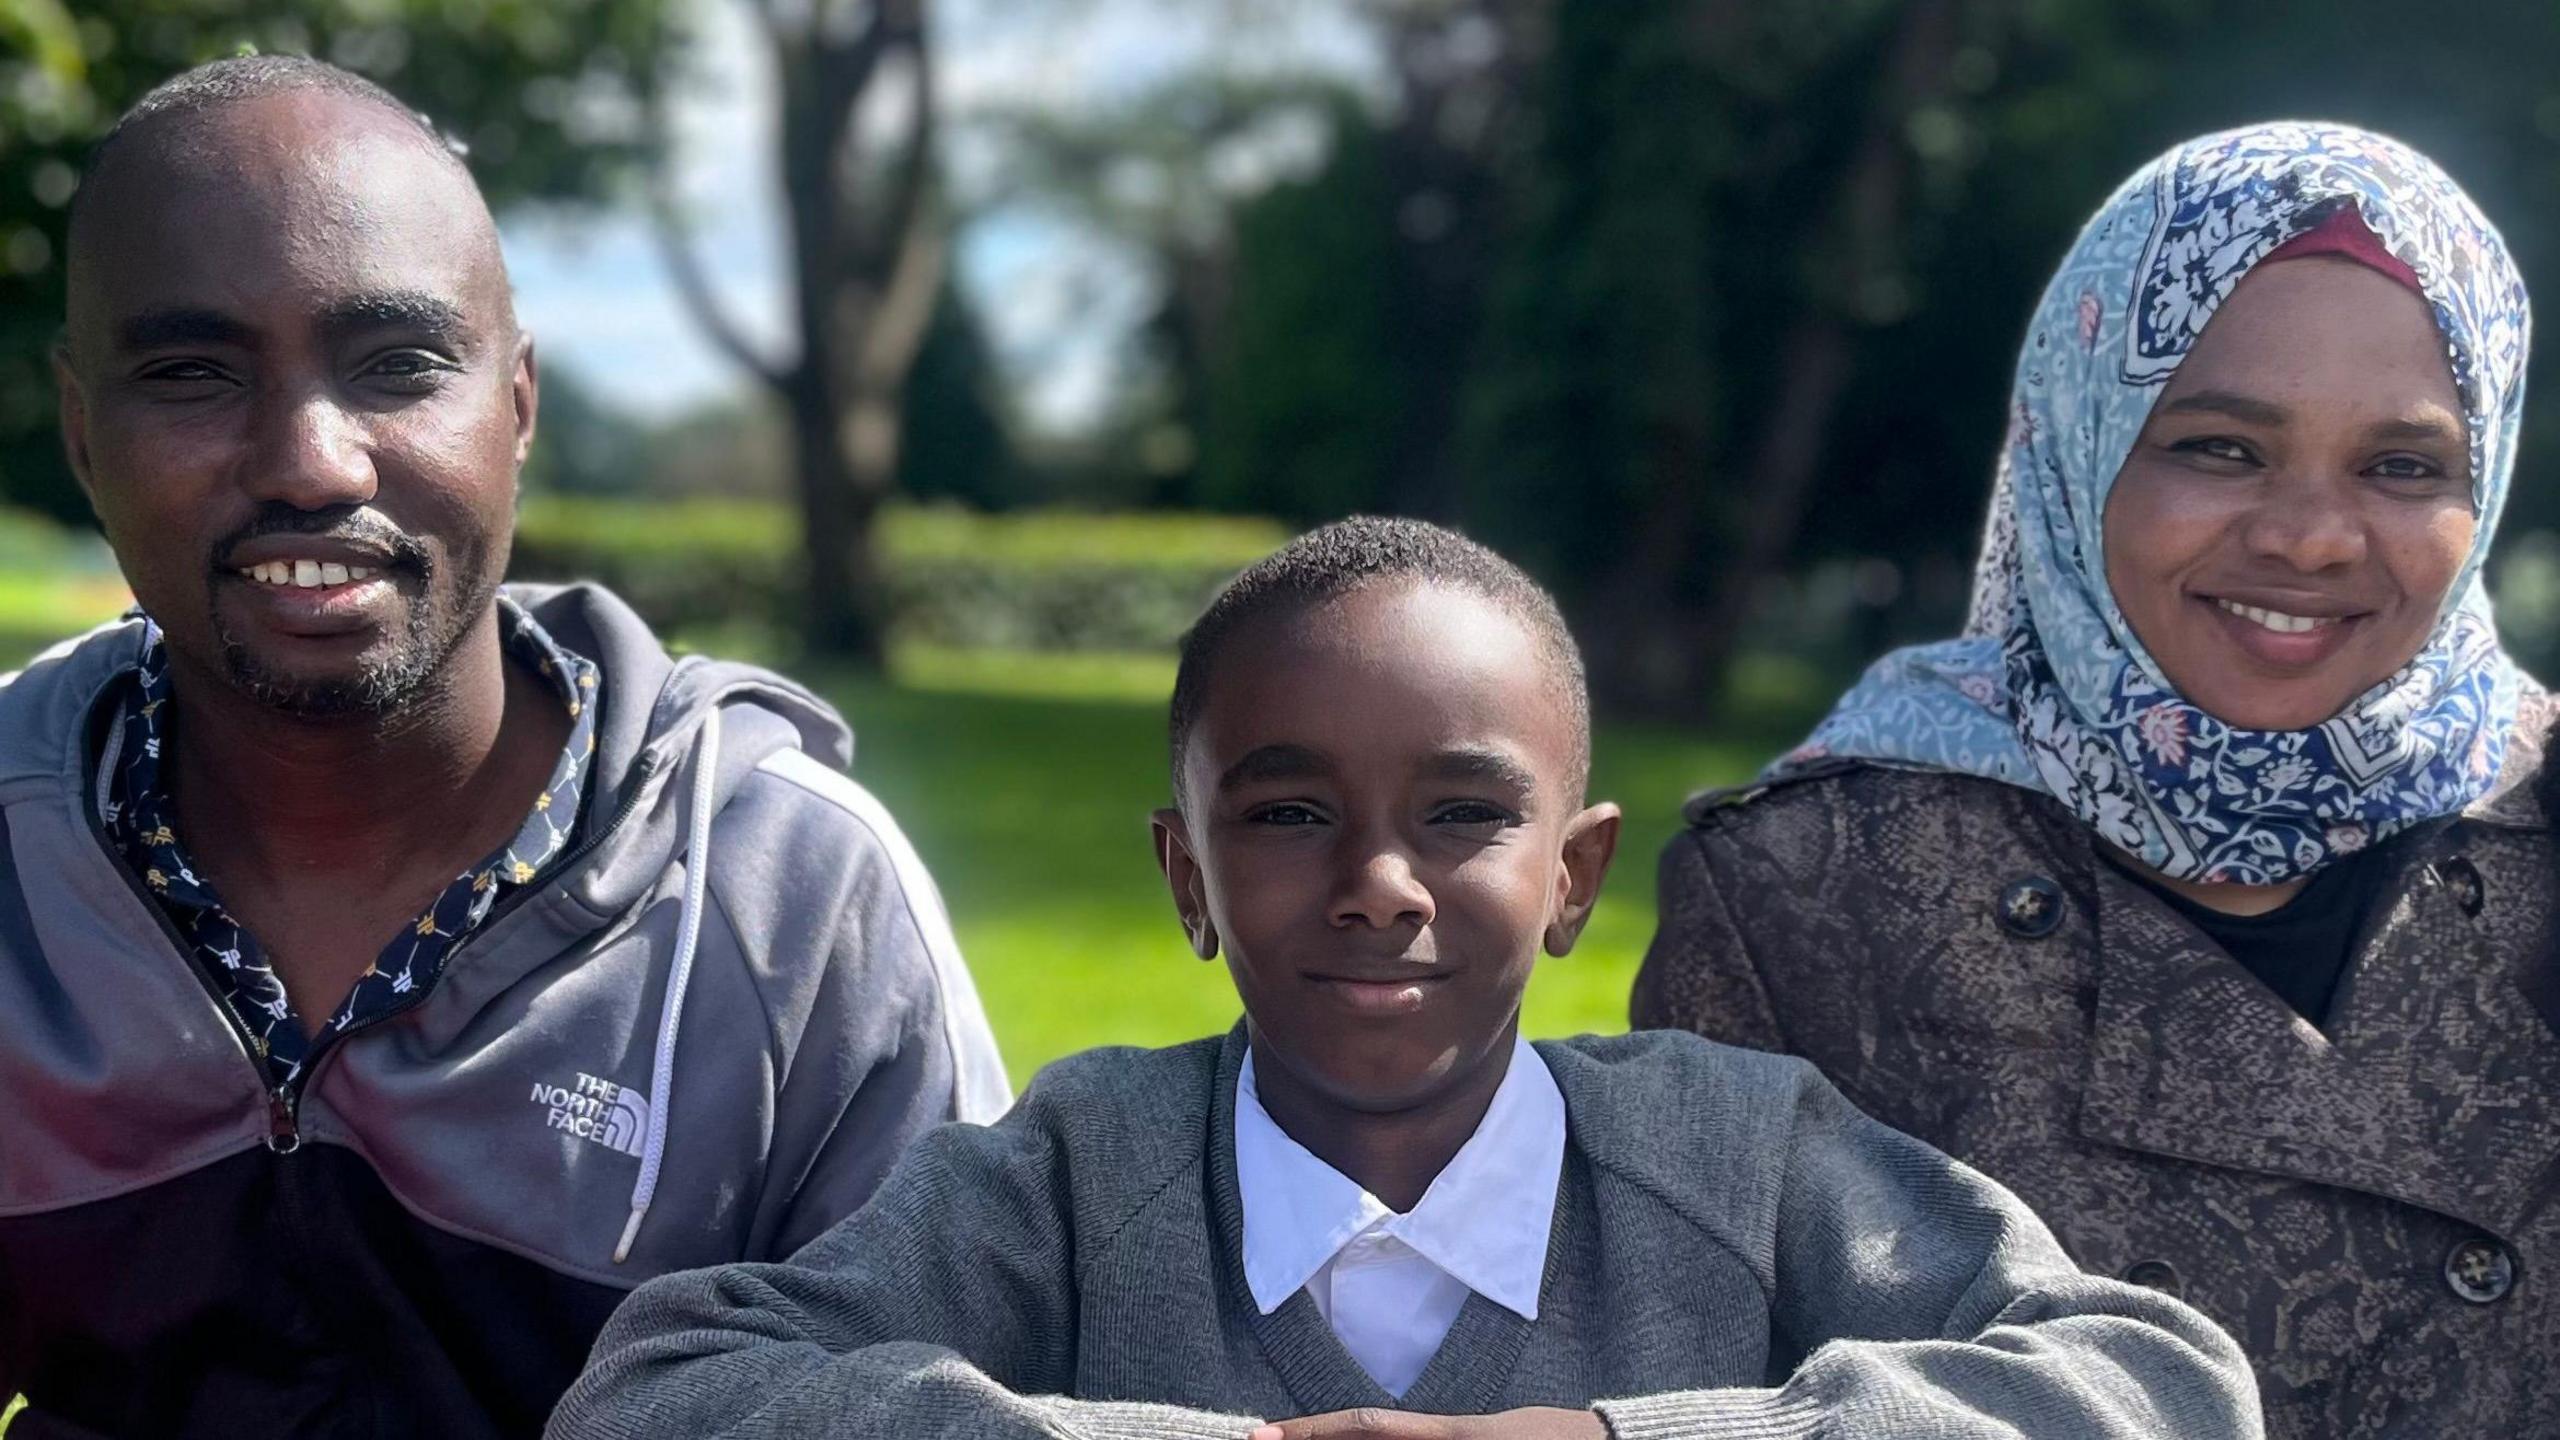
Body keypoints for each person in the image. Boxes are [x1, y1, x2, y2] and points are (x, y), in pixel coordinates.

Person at [550, 517, 2260, 1440]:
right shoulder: (1081, 1178)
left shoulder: (1741, 1156)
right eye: (1289, 813)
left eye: (1462, 815)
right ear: (1187, 878)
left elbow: (2165, 1390)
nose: (1379, 886)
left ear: (1575, 876)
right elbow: (660, 1396)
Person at [0, 56, 1009, 1439]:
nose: (314, 461)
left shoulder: (793, 899)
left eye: (397, 365)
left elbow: (954, 1406)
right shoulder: (16, 848)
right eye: (192, 373)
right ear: (79, 430)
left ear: (517, 407)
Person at [1633, 121, 2557, 1438]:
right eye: (2221, 447)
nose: (2307, 533)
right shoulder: (1804, 892)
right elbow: (1706, 1393)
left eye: (2401, 465)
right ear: (2078, 439)